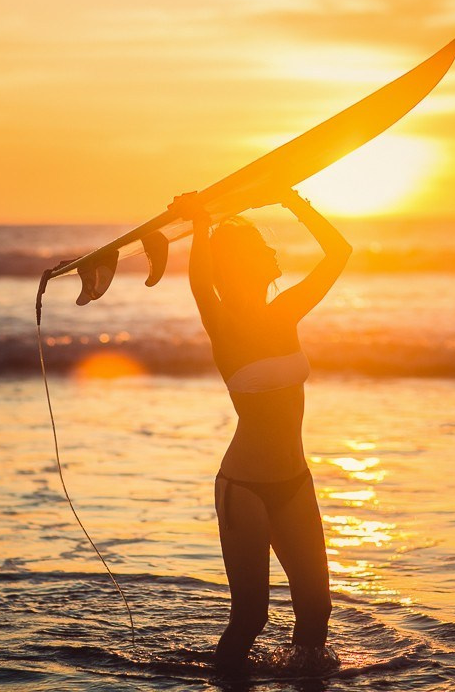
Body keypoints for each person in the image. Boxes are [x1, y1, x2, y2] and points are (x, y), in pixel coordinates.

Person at [168, 187, 352, 675]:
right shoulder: (223, 322)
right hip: (244, 485)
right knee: (251, 617)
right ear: (238, 265)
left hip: (296, 480)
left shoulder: (286, 312)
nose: (271, 252)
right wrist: (201, 224)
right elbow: (201, 282)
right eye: (259, 248)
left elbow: (340, 252)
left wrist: (293, 200)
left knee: (316, 613)